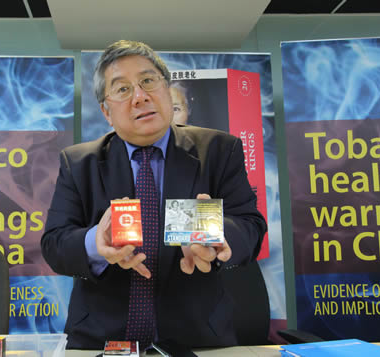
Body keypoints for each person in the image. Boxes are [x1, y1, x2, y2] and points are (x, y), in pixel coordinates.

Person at [41, 40, 267, 350]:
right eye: (122, 89)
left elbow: (250, 224)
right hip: (101, 341)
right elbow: (54, 244)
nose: (140, 97)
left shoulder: (218, 150)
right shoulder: (79, 163)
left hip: (198, 340)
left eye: (148, 81)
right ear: (106, 112)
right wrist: (96, 242)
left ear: (166, 89)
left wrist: (217, 239)